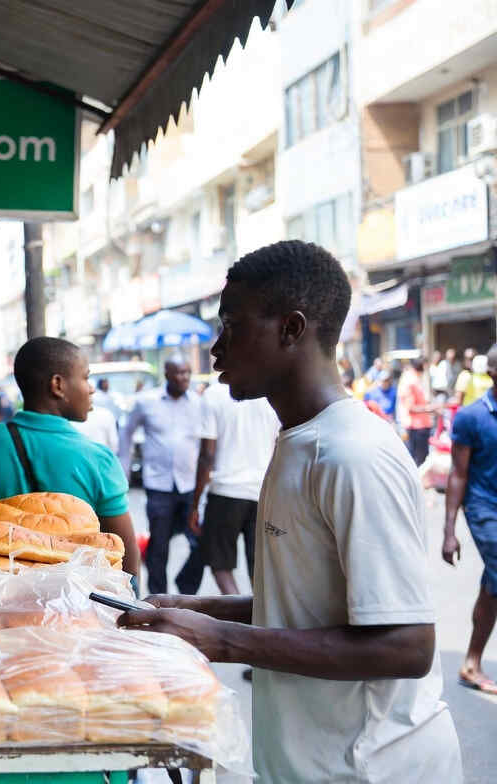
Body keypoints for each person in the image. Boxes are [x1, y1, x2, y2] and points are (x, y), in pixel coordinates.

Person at [118, 240, 461, 783]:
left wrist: (218, 640)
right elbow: (311, 604)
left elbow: (406, 645)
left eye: (232, 325)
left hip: (371, 768)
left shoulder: (353, 454)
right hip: (307, 765)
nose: (216, 349)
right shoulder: (297, 439)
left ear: (291, 328)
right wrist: (198, 609)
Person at [0, 337, 140, 576]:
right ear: (57, 385)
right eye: (85, 377)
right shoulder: (98, 458)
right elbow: (124, 551)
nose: (91, 388)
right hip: (73, 607)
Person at [117, 356, 206, 596]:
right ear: (166, 374)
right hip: (159, 486)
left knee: (201, 542)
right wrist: (123, 472)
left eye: (187, 372)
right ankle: (160, 598)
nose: (184, 378)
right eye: (178, 373)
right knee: (159, 545)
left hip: (190, 486)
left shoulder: (199, 403)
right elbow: (126, 434)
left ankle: (186, 586)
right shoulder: (146, 402)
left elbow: (206, 444)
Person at [188, 380, 279, 596]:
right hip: (262, 492)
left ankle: (239, 611)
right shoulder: (270, 393)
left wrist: (195, 504)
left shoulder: (214, 395)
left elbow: (207, 456)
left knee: (221, 565)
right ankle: (260, 615)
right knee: (259, 566)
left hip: (225, 492)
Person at [443, 343, 497, 695]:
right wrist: (449, 531)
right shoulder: (471, 417)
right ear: (493, 373)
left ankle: (471, 663)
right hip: (484, 509)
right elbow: (458, 475)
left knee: (493, 586)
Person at [398, 357, 437, 467]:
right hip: (416, 427)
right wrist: (430, 408)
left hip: (419, 425)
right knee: (419, 461)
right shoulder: (411, 380)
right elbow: (411, 407)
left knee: (419, 460)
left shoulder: (413, 378)